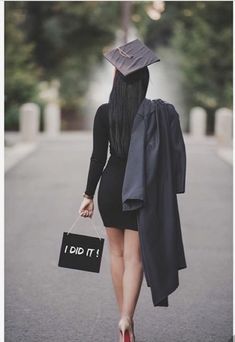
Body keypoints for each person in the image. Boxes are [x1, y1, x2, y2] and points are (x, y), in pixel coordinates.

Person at [79, 39, 161, 342]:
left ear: (117, 80)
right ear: (144, 81)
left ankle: (123, 321)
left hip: (111, 186)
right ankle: (128, 317)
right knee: (135, 258)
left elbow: (97, 158)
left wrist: (88, 196)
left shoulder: (104, 112)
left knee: (115, 254)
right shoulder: (152, 114)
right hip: (139, 187)